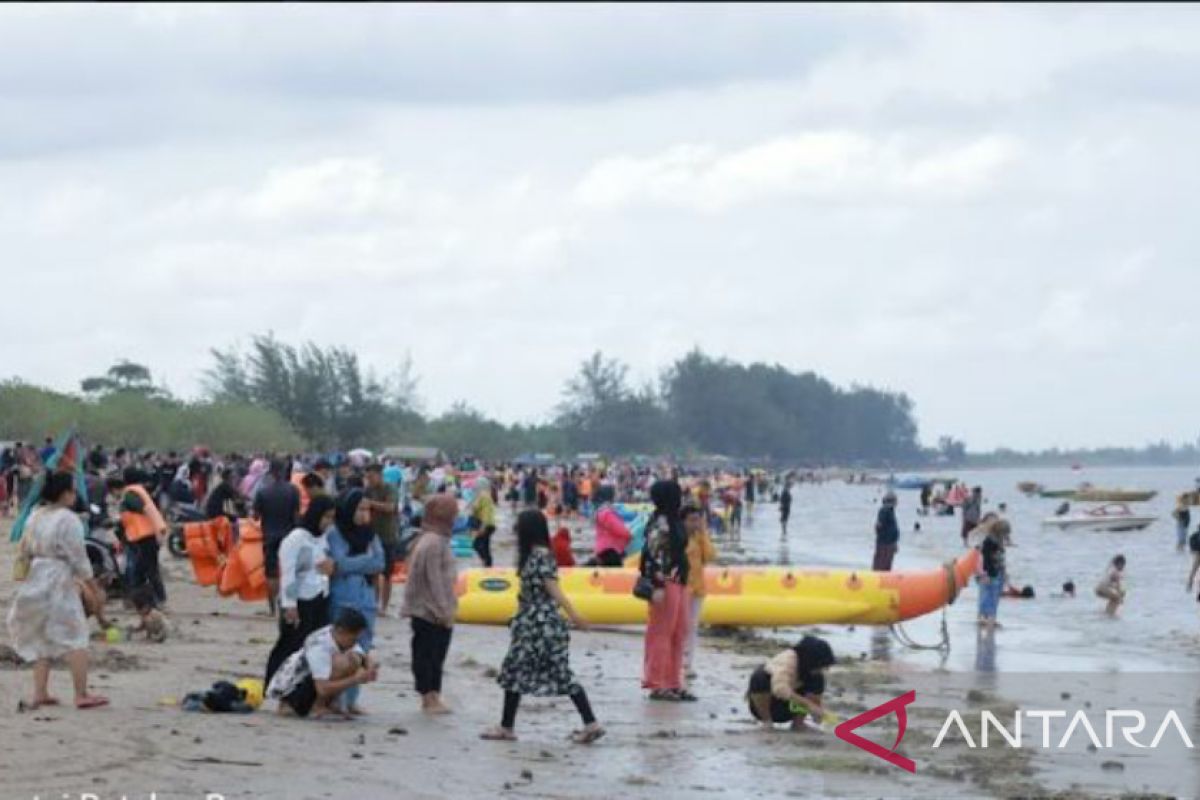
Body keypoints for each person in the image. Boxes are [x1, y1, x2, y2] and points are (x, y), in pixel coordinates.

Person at [481, 511, 604, 744]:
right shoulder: (538, 555)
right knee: (556, 673)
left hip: (538, 624)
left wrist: (574, 614)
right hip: (537, 622)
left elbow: (553, 588)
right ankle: (590, 723)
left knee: (517, 670)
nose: (516, 530)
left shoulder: (539, 556)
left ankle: (507, 727)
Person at [7, 472, 109, 710]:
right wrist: (94, 590)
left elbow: (25, 548)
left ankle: (40, 692)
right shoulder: (69, 519)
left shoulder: (35, 515)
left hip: (35, 575)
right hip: (58, 578)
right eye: (73, 490)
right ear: (64, 493)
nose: (75, 495)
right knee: (76, 634)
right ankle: (81, 694)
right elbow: (79, 559)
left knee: (40, 636)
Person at [264, 495, 336, 686]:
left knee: (313, 649)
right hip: (299, 600)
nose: (328, 522)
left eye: (331, 518)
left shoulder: (321, 538)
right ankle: (275, 687)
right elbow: (288, 573)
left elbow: (320, 566)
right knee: (290, 647)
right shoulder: (296, 538)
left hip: (319, 597)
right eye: (326, 517)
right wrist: (290, 605)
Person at [326, 489, 385, 715]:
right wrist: (364, 561)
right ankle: (335, 699)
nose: (364, 514)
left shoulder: (371, 535)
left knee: (364, 648)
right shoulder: (335, 533)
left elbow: (379, 563)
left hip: (366, 598)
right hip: (342, 597)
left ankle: (352, 700)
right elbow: (338, 563)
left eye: (367, 509)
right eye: (360, 509)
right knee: (340, 648)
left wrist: (352, 564)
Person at [402, 494, 459, 715]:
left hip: (432, 608)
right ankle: (428, 697)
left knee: (435, 655)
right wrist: (443, 609)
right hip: (429, 610)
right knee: (428, 654)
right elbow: (433, 578)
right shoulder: (433, 541)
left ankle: (434, 695)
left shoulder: (432, 538)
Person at [267, 608, 379, 720]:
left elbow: (362, 654)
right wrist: (355, 679)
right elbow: (322, 688)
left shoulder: (334, 633)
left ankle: (327, 704)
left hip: (309, 679)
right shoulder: (320, 646)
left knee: (355, 658)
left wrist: (370, 666)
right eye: (353, 639)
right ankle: (314, 706)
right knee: (342, 662)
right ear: (341, 630)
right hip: (292, 689)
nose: (355, 642)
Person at [640, 479, 694, 702]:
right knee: (661, 633)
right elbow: (653, 556)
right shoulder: (660, 523)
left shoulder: (674, 519)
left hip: (679, 580)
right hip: (664, 581)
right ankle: (656, 683)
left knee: (679, 631)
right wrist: (658, 585)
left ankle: (673, 682)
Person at [747, 636, 835, 730]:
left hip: (789, 710)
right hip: (768, 703)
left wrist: (818, 712)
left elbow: (815, 699)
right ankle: (767, 721)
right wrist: (809, 705)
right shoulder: (787, 661)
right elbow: (780, 689)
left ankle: (798, 723)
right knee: (759, 677)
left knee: (817, 679)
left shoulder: (814, 672)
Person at [254, 459, 301, 616]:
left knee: (271, 573)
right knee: (290, 571)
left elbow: (255, 516)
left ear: (271, 472)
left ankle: (272, 608)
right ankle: (288, 605)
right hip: (289, 535)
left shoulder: (263, 492)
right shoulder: (293, 490)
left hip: (270, 535)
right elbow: (296, 515)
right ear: (284, 471)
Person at [116, 468, 169, 608]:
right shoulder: (138, 491)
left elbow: (146, 510)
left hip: (146, 536)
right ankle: (138, 600)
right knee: (140, 570)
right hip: (144, 537)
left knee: (148, 570)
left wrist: (158, 531)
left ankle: (159, 599)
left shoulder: (130, 494)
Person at [361, 465, 400, 616]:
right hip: (372, 536)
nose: (369, 480)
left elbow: (390, 507)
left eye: (371, 477)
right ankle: (374, 604)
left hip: (388, 535)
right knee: (374, 573)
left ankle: (384, 606)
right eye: (367, 478)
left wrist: (370, 504)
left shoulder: (390, 489)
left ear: (379, 475)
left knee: (387, 574)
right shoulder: (368, 490)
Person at [683, 504, 716, 679]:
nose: (695, 523)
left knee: (692, 626)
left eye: (698, 520)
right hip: (681, 588)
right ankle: (679, 662)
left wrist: (704, 533)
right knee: (681, 626)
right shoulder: (679, 539)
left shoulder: (698, 538)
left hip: (697, 589)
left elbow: (710, 556)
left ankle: (688, 663)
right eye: (692, 520)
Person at [976, 518, 1012, 628]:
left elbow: (1001, 560)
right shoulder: (988, 542)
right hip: (988, 573)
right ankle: (984, 617)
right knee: (987, 596)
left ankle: (990, 617)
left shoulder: (999, 543)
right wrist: (983, 574)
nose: (1006, 536)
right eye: (1005, 533)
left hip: (998, 572)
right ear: (999, 532)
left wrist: (1005, 573)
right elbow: (983, 559)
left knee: (994, 596)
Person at [591, 486, 631, 566]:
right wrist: (629, 534)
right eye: (615, 494)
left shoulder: (601, 511)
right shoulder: (607, 513)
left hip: (603, 549)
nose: (616, 496)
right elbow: (620, 530)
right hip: (610, 550)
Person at [467, 476, 498, 568]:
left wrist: (483, 527)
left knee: (477, 545)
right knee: (484, 547)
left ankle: (487, 563)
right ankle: (487, 566)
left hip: (486, 525)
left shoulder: (485, 496)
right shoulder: (480, 496)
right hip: (485, 524)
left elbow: (486, 513)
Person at [873, 492, 900, 571]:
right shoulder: (885, 510)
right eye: (895, 501)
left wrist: (894, 542)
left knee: (886, 563)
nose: (896, 503)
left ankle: (885, 579)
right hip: (885, 543)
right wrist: (883, 538)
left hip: (889, 542)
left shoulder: (890, 511)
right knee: (882, 563)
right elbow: (878, 525)